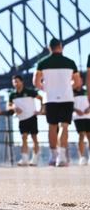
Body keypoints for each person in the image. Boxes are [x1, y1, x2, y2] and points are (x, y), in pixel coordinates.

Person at [33, 38, 81, 167]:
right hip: (67, 97)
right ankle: (62, 157)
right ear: (60, 46)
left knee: (52, 126)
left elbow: (35, 82)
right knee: (64, 126)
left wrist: (45, 88)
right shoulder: (70, 62)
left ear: (49, 47)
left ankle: (53, 156)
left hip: (51, 98)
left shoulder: (42, 63)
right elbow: (77, 82)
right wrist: (67, 86)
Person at [8, 75, 42, 166]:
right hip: (21, 119)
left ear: (22, 82)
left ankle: (34, 159)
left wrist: (41, 110)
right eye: (14, 81)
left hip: (32, 117)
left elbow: (41, 98)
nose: (15, 83)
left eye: (17, 81)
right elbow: (9, 106)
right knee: (23, 138)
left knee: (34, 138)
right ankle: (24, 159)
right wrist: (14, 108)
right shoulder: (12, 94)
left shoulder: (30, 91)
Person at [72, 81, 90, 165]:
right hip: (77, 117)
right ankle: (81, 157)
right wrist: (76, 110)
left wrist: (89, 108)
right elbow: (69, 104)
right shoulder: (70, 92)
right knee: (81, 135)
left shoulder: (87, 91)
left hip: (88, 116)